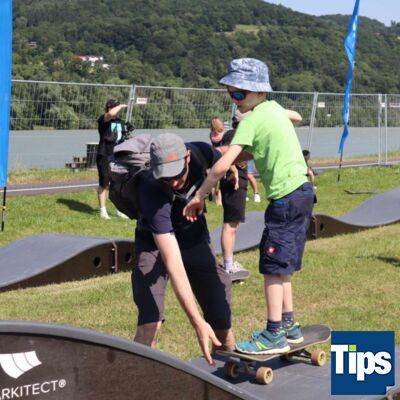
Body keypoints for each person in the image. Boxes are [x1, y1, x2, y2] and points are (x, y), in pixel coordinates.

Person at [183, 58, 314, 355]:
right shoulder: (273, 109)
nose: (234, 99)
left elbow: (221, 168)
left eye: (240, 93)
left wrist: (199, 195)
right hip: (303, 193)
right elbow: (296, 117)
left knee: (272, 267)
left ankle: (274, 333)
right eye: (231, 93)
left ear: (259, 92)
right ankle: (290, 326)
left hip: (285, 199)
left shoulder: (250, 121)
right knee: (283, 266)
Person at [132, 132, 235, 366]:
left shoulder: (199, 152)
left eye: (177, 175)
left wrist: (236, 164)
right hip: (154, 244)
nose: (173, 182)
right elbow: (173, 263)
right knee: (150, 323)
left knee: (221, 321)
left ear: (187, 157)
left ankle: (231, 372)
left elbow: (228, 153)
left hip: (194, 237)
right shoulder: (150, 188)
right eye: (165, 177)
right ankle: (136, 378)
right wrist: (197, 322)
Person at [212, 114, 249, 274]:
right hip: (233, 182)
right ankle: (228, 265)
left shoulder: (238, 135)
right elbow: (224, 155)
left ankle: (230, 261)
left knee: (234, 224)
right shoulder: (234, 135)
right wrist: (234, 171)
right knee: (230, 224)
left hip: (237, 181)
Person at [96, 99, 129, 220]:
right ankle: (103, 210)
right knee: (104, 183)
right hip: (105, 154)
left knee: (118, 184)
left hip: (118, 155)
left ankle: (120, 210)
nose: (115, 110)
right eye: (113, 107)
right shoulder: (104, 119)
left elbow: (123, 137)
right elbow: (110, 114)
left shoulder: (120, 122)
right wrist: (121, 106)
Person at [209, 117, 224, 206]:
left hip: (214, 156)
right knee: (221, 177)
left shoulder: (211, 134)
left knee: (213, 176)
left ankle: (213, 195)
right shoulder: (223, 134)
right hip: (221, 156)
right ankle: (219, 199)